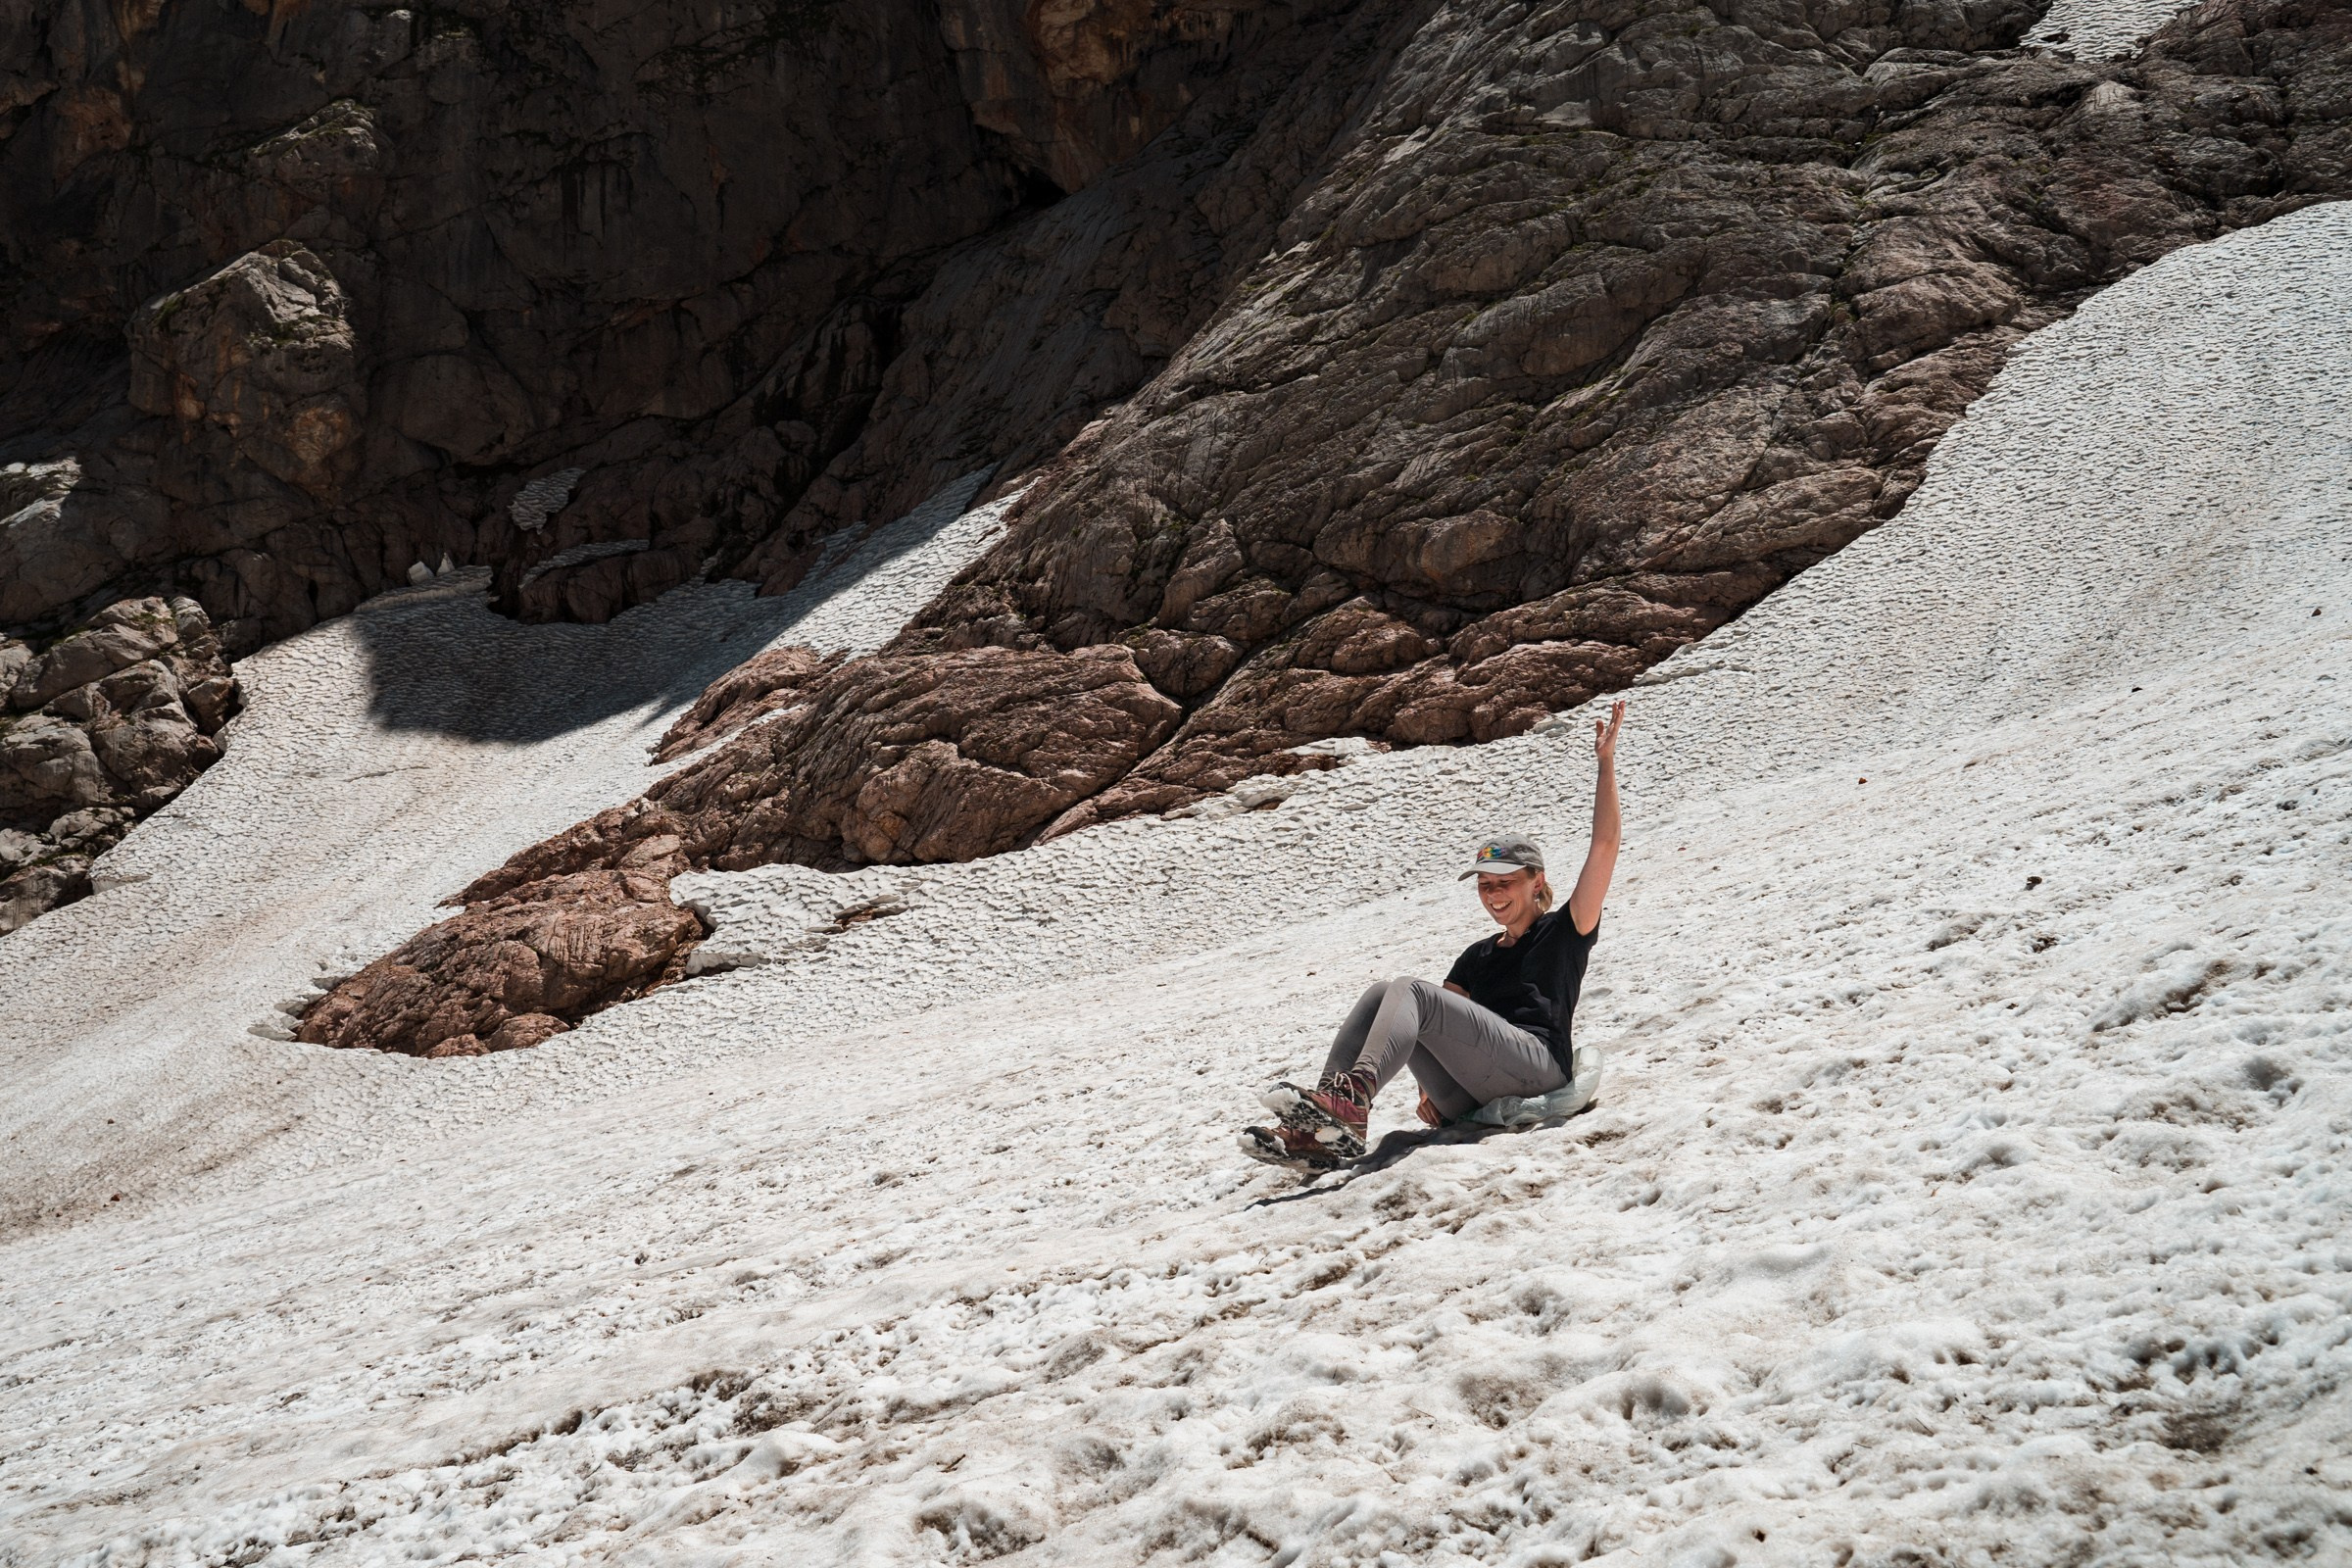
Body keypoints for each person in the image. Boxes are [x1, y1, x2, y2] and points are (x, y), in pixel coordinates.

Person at [1242, 700, 1625, 1169]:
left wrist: (1605, 764)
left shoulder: (1564, 929)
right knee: (1383, 993)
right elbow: (1436, 1030)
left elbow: (1604, 846)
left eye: (1504, 882)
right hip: (1471, 1090)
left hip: (1537, 1068)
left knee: (1409, 990)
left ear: (1537, 881)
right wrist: (1428, 1089)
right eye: (1485, 885)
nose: (1493, 893)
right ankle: (1316, 1132)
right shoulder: (1476, 956)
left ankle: (1353, 1099)